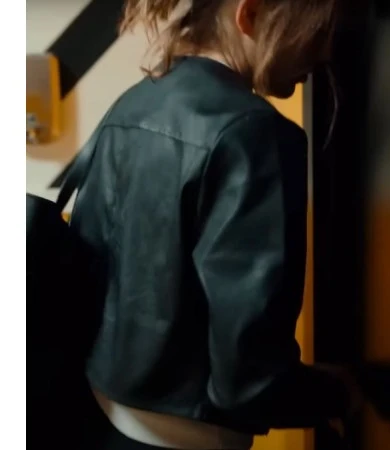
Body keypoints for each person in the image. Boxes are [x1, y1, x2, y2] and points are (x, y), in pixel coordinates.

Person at [71, 0, 360, 449]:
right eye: (314, 32)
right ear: (251, 14)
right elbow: (248, 380)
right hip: (189, 438)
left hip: (100, 420)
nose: (324, 52)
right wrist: (339, 394)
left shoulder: (132, 104)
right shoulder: (255, 134)